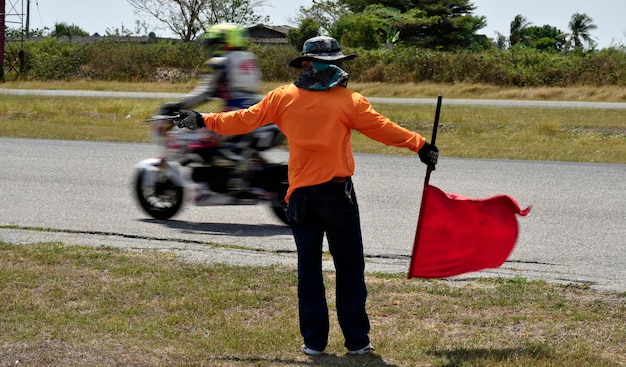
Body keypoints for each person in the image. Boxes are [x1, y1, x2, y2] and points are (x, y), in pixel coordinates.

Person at [173, 36, 439, 356]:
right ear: (331, 64)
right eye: (336, 62)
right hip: (337, 196)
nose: (339, 67)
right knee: (350, 269)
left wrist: (202, 119)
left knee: (309, 272)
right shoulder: (349, 101)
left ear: (305, 64)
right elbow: (384, 129)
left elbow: (243, 119)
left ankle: (314, 344)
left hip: (299, 198)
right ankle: (357, 343)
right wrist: (421, 145)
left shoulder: (283, 97)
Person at [159, 23, 262, 197]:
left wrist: (178, 106)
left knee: (199, 142)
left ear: (224, 41)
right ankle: (235, 176)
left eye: (214, 42)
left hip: (235, 115)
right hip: (258, 111)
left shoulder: (221, 62)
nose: (211, 46)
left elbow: (204, 92)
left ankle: (224, 180)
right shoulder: (249, 58)